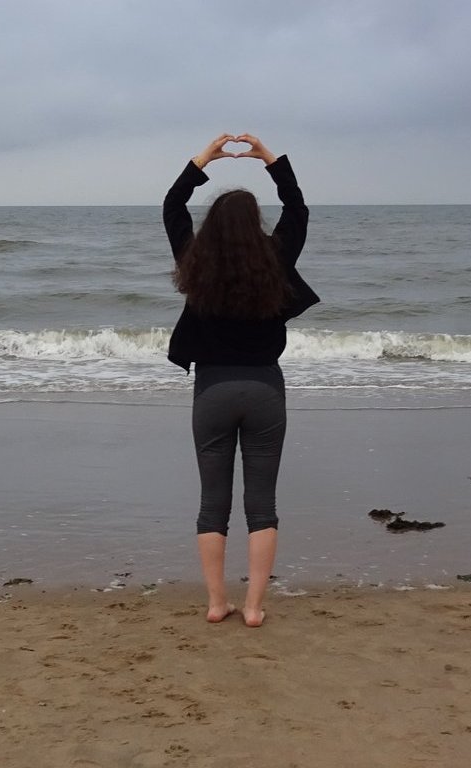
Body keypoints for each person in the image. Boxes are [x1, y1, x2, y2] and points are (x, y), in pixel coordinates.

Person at [162, 133, 319, 627]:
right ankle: (252, 608)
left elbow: (172, 206)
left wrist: (203, 159)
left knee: (213, 504)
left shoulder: (195, 263)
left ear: (212, 227)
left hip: (211, 390)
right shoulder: (275, 260)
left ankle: (216, 603)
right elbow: (297, 210)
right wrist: (269, 160)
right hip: (265, 391)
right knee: (262, 505)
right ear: (256, 225)